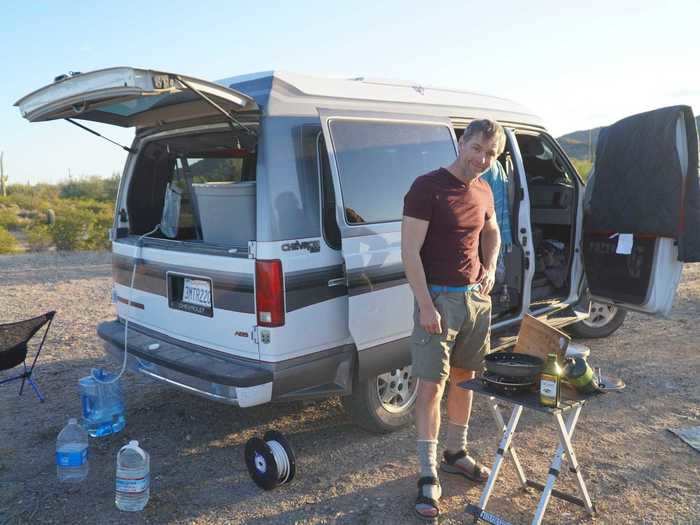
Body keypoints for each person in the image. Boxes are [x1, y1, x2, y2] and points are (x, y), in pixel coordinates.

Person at [401, 119, 504, 521]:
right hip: (439, 300)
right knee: (431, 387)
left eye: (491, 154)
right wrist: (425, 305)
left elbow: (492, 231)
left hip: (475, 301)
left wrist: (491, 265)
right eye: (477, 148)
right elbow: (410, 252)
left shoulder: (484, 189)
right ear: (462, 142)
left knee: (466, 379)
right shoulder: (427, 187)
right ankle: (427, 474)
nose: (482, 159)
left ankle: (455, 452)